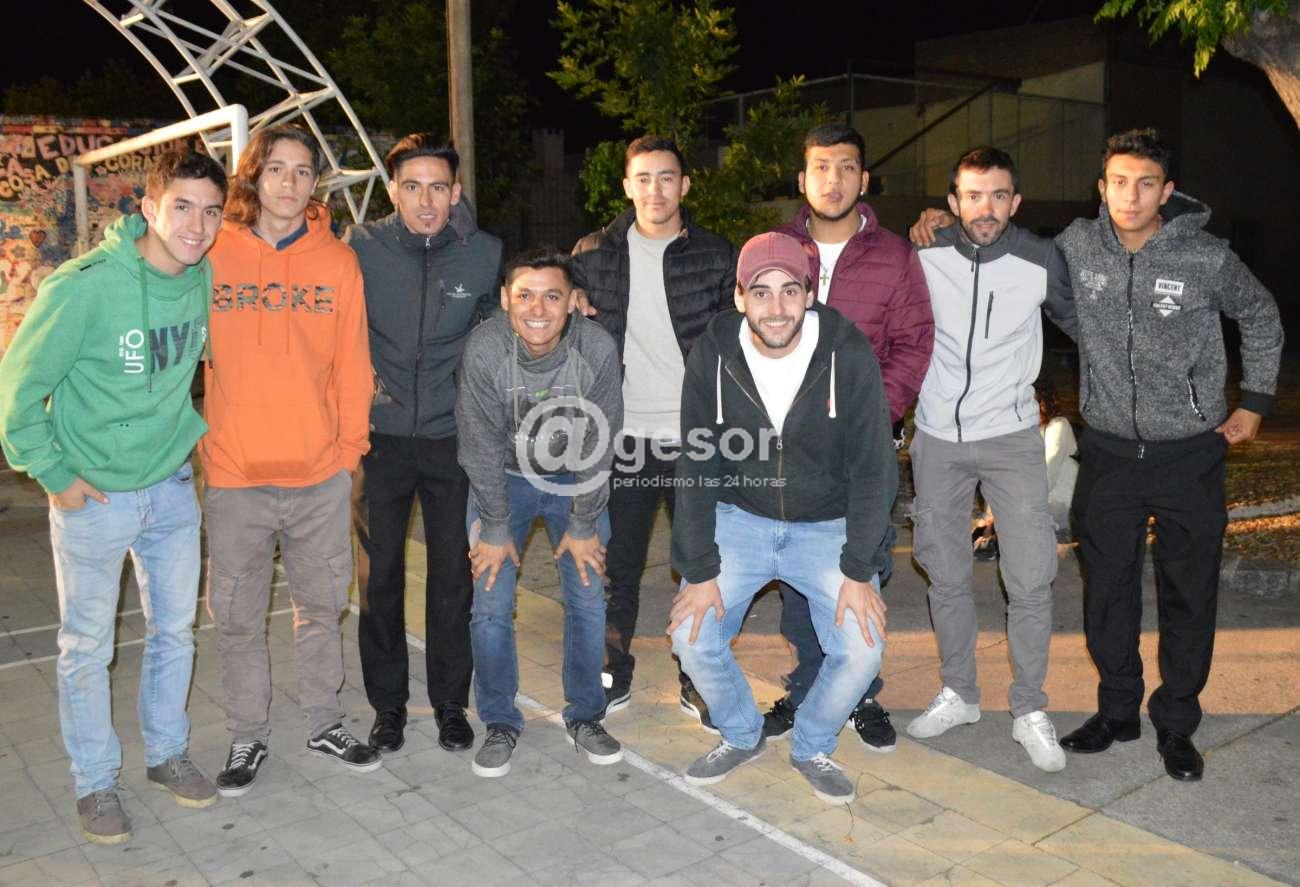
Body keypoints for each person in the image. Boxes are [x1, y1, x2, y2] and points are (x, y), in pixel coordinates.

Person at [912, 128, 1283, 781]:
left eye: (1146, 183)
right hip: (1108, 449)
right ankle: (1117, 711)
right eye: (1118, 182)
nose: (1130, 196)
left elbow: (1259, 313)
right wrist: (937, 222)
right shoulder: (1075, 247)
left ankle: (1176, 721)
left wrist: (1253, 401)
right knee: (1107, 593)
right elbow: (993, 241)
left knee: (1188, 593)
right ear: (1101, 187)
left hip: (1189, 451)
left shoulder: (1205, 255)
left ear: (1167, 191)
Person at [0, 149, 227, 843]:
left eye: (210, 211)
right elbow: (16, 393)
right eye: (181, 207)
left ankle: (166, 753)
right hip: (94, 497)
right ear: (149, 207)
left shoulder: (202, 277)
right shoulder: (84, 288)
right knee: (86, 647)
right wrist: (53, 474)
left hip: (172, 488)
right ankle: (95, 782)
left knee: (175, 633)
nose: (196, 225)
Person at [669, 232, 897, 804]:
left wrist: (859, 567)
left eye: (790, 290)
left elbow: (874, 469)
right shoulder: (712, 353)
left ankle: (812, 744)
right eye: (761, 292)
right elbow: (696, 463)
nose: (776, 307)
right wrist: (698, 569)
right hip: (740, 518)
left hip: (828, 527)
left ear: (809, 294)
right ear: (739, 297)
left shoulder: (847, 353)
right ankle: (741, 733)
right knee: (691, 639)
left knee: (862, 651)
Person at [202, 125, 378, 798]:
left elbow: (353, 366)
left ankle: (325, 721)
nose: (289, 182)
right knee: (237, 616)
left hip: (317, 476)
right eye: (276, 168)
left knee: (321, 608)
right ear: (252, 175)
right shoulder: (213, 249)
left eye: (303, 171)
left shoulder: (338, 262)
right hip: (235, 475)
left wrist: (347, 456)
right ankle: (247, 732)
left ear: (315, 183)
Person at [763, 123, 934, 752]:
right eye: (820, 167)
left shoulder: (895, 255)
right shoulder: (773, 248)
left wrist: (869, 415)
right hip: (789, 446)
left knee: (861, 566)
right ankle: (809, 687)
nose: (832, 179)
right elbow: (749, 329)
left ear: (864, 178)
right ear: (802, 178)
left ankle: (858, 693)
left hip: (862, 448)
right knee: (795, 571)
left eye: (846, 167)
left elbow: (913, 344)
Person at [907, 146, 1077, 772]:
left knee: (1030, 577)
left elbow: (1087, 326)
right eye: (973, 196)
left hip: (1011, 436)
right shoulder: (924, 251)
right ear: (953, 202)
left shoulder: (1039, 258)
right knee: (946, 571)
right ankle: (960, 694)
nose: (986, 208)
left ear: (1016, 201)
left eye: (999, 196)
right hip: (937, 436)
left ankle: (1029, 708)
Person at [343, 134, 502, 754]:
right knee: (379, 578)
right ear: (392, 191)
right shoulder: (360, 247)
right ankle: (387, 707)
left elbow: (505, 327)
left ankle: (450, 704)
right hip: (378, 439)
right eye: (412, 187)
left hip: (450, 440)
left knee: (452, 580)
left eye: (438, 187)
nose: (426, 201)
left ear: (456, 192)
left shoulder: (483, 253)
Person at [571, 135, 736, 719]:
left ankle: (698, 673)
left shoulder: (716, 254)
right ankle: (611, 669)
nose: (655, 189)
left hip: (696, 437)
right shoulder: (592, 254)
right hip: (624, 439)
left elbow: (736, 344)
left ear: (684, 185)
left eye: (666, 177)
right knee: (618, 566)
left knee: (700, 563)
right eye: (643, 178)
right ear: (626, 186)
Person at [456, 248, 624, 778]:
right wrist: (494, 526)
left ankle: (586, 716)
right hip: (503, 478)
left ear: (573, 301)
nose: (537, 308)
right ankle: (500, 722)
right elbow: (479, 444)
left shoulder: (595, 347)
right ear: (505, 300)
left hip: (575, 477)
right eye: (524, 295)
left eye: (552, 296)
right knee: (489, 602)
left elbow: (601, 440)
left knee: (588, 597)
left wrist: (583, 523)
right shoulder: (485, 348)